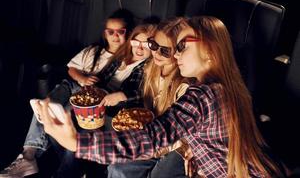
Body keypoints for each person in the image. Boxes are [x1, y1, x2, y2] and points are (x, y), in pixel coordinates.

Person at [37, 16, 284, 177]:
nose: (175, 55)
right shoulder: (230, 88)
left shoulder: (202, 95)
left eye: (181, 46)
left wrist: (78, 143)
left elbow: (153, 137)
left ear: (211, 51)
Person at [0, 8, 134, 178]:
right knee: (47, 103)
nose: (115, 36)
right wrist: (83, 78)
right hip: (74, 86)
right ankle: (29, 155)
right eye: (111, 32)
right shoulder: (94, 51)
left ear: (128, 33)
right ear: (104, 34)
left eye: (120, 32)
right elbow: (71, 68)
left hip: (94, 100)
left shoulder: (126, 59)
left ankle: (63, 168)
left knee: (70, 115)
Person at [51, 22, 157, 178]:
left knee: (78, 137)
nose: (140, 48)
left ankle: (67, 173)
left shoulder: (149, 66)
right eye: (136, 42)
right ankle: (82, 169)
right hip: (99, 103)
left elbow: (144, 93)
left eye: (146, 44)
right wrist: (91, 88)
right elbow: (102, 79)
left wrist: (123, 96)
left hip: (115, 113)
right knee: (60, 125)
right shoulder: (120, 57)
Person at [107, 17, 190, 178]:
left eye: (165, 50)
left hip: (171, 143)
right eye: (153, 45)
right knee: (115, 167)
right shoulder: (150, 68)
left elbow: (182, 135)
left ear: (179, 51)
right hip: (150, 135)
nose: (157, 53)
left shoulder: (184, 84)